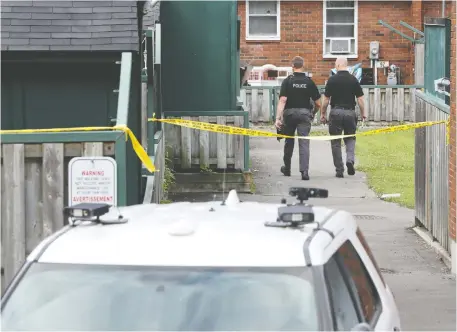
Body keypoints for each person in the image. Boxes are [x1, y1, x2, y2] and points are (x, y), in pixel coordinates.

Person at [275, 56, 321, 180]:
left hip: (289, 114)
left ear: (292, 66)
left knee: (289, 141)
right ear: (303, 66)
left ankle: (287, 169)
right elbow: (318, 103)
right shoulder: (309, 81)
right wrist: (313, 113)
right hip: (305, 114)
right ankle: (304, 172)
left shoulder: (287, 81)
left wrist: (278, 118)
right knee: (304, 142)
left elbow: (283, 100)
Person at [320, 56, 367, 178]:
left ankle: (339, 169)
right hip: (350, 113)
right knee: (350, 138)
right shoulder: (353, 80)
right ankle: (350, 160)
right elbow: (360, 99)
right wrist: (363, 113)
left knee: (335, 142)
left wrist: (323, 114)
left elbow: (325, 100)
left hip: (336, 112)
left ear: (338, 65)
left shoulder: (332, 80)